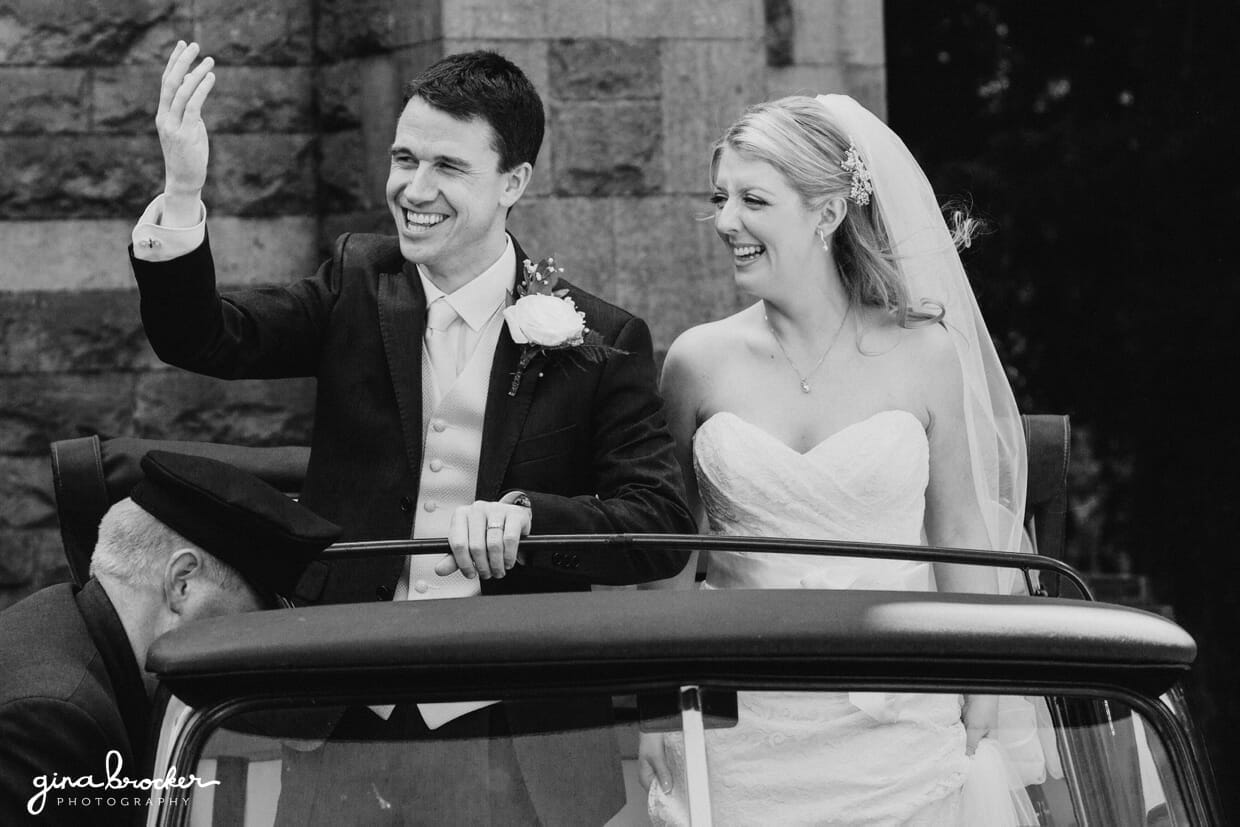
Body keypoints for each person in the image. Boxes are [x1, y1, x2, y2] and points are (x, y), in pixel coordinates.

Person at [129, 42, 693, 824]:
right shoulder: (355, 280)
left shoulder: (600, 337)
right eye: (404, 158)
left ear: (514, 183)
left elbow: (663, 524)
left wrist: (533, 518)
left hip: (514, 730)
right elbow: (205, 338)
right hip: (344, 717)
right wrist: (185, 189)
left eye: (448, 168)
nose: (413, 189)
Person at [638, 95, 1041, 825]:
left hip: (899, 722)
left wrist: (985, 678)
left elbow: (958, 525)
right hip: (743, 729)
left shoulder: (924, 353)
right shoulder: (697, 361)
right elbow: (673, 557)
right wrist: (662, 706)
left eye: (753, 199)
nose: (726, 221)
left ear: (826, 214)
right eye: (720, 198)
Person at [0, 450, 340, 825]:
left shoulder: (63, 634)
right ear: (182, 582)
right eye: (252, 617)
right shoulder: (51, 716)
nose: (252, 644)